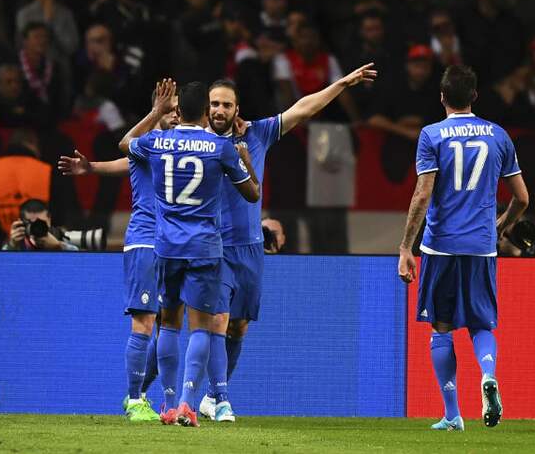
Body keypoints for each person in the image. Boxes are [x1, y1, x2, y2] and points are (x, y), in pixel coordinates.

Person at [200, 63, 377, 422]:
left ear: (237, 109)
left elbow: (303, 109)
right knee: (217, 320)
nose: (220, 110)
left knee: (238, 325)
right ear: (206, 109)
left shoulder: (258, 134)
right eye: (214, 105)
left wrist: (341, 83)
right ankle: (220, 399)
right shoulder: (197, 140)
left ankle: (209, 396)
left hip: (249, 247)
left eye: (226, 105)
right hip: (212, 245)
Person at [120, 81, 260, 428]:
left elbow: (125, 146)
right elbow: (252, 194)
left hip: (166, 246)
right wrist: (245, 162)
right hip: (204, 248)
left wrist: (155, 112)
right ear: (205, 114)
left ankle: (167, 405)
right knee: (200, 328)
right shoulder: (218, 146)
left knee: (168, 324)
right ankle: (187, 404)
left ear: (178, 111)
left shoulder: (156, 141)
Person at [398, 64, 530, 431]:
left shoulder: (431, 135)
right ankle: (488, 375)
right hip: (481, 247)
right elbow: (521, 198)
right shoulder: (498, 135)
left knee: (441, 327)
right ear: (475, 96)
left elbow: (423, 193)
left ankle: (453, 413)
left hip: (440, 245)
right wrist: (500, 225)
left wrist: (406, 247)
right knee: (481, 321)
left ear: (441, 97)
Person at [59, 80, 179, 422]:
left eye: (177, 111)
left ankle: (145, 394)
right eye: (168, 111)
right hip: (145, 241)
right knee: (144, 322)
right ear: (156, 114)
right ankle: (134, 398)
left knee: (168, 324)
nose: (173, 116)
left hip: (176, 245)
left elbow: (115, 164)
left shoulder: (178, 150)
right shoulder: (145, 146)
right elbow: (125, 151)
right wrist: (155, 112)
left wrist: (93, 168)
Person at [0, 127, 74, 249]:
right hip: (38, 247)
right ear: (33, 144)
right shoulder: (47, 170)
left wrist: (3, 239)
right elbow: (59, 211)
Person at [1, 198, 80, 251]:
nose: (37, 227)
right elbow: (0, 265)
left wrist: (59, 246)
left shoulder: (61, 235)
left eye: (42, 223)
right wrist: (12, 245)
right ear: (21, 223)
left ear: (49, 219)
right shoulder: (17, 241)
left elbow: (81, 259)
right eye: (31, 223)